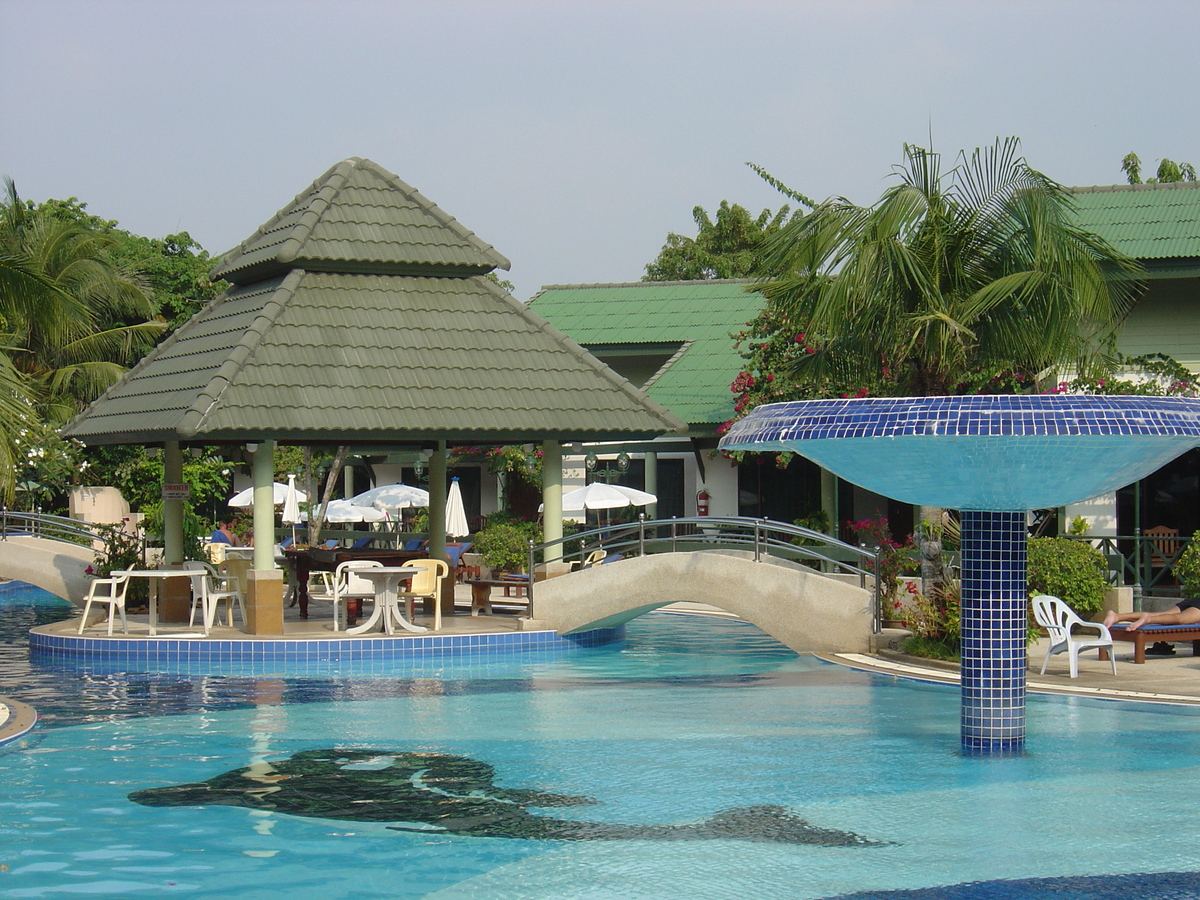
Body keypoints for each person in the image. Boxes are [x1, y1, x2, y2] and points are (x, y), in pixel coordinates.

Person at [1103, 599, 1200, 631]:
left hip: (1195, 600)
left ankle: (1117, 616)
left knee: (1161, 614)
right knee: (1180, 619)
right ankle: (1149, 619)